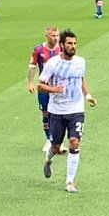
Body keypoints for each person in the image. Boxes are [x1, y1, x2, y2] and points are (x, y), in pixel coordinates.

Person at [37, 29, 97, 194]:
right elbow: (40, 85)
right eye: (69, 43)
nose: (73, 46)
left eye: (75, 43)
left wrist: (88, 96)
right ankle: (48, 160)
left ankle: (70, 181)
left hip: (76, 109)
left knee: (74, 142)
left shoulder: (80, 62)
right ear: (62, 45)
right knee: (55, 147)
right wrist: (53, 88)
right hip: (56, 111)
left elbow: (81, 81)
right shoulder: (53, 64)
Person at [27, 25, 64, 153]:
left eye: (58, 35)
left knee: (58, 114)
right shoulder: (38, 50)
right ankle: (49, 139)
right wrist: (30, 82)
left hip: (59, 88)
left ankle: (58, 141)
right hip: (44, 88)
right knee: (46, 114)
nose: (56, 38)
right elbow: (32, 66)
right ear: (47, 36)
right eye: (53, 36)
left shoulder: (62, 48)